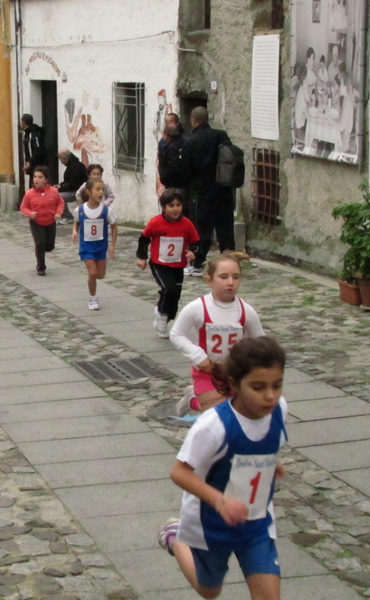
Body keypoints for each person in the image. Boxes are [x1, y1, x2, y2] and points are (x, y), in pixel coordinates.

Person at [158, 336, 288, 600]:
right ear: (234, 385)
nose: (270, 396)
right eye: (258, 387)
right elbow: (179, 472)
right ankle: (176, 538)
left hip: (256, 522)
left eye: (277, 385)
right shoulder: (213, 426)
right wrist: (220, 501)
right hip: (211, 524)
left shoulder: (279, 411)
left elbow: (261, 444)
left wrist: (271, 462)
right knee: (209, 591)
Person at [170, 253, 265, 416]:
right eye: (223, 277)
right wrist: (198, 355)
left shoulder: (245, 310)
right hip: (207, 373)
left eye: (235, 277)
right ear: (209, 280)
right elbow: (177, 334)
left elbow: (261, 342)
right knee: (218, 414)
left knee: (241, 413)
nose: (230, 282)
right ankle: (192, 398)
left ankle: (198, 400)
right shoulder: (197, 308)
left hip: (236, 373)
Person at [178, 107, 236, 275]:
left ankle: (197, 263)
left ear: (193, 120)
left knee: (201, 229)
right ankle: (230, 263)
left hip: (202, 192)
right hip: (223, 189)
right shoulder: (221, 135)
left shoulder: (191, 141)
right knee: (225, 228)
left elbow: (185, 170)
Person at [137, 188, 200, 339]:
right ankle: (161, 313)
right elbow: (144, 239)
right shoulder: (156, 223)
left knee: (175, 296)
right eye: (171, 206)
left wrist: (194, 252)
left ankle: (166, 314)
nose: (175, 209)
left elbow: (196, 242)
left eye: (178, 205)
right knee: (168, 289)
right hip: (159, 264)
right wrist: (142, 257)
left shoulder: (186, 224)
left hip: (178, 265)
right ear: (164, 207)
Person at [71, 178, 117, 311]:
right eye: (97, 189)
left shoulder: (106, 211)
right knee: (93, 272)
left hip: (101, 247)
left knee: (100, 275)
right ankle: (93, 298)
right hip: (86, 247)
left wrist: (112, 245)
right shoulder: (80, 210)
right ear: (89, 192)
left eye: (102, 189)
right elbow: (76, 221)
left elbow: (114, 227)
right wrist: (74, 231)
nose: (101, 192)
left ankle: (93, 288)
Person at [20, 166, 64, 276]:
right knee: (40, 243)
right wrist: (30, 214)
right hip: (36, 222)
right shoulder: (29, 193)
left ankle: (46, 248)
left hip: (50, 221)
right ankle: (41, 266)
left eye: (40, 177)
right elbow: (23, 207)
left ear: (46, 179)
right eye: (35, 177)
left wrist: (58, 213)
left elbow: (60, 203)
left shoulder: (53, 191)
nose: (36, 179)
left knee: (49, 246)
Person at [54, 149, 87, 224]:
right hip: (74, 190)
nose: (60, 161)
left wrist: (60, 188)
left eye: (60, 158)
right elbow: (69, 182)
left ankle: (68, 217)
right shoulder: (72, 165)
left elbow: (73, 184)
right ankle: (64, 216)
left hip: (79, 192)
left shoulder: (76, 167)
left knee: (59, 196)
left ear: (64, 158)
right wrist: (61, 185)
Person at [158, 115, 188, 190]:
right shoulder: (163, 142)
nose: (168, 123)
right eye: (166, 122)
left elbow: (172, 167)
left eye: (170, 121)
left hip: (175, 183)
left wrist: (164, 178)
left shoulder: (176, 145)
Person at [21, 113, 47, 192]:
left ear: (24, 122)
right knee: (33, 185)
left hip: (36, 165)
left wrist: (30, 162)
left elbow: (37, 150)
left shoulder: (33, 134)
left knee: (36, 184)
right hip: (33, 165)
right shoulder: (28, 134)